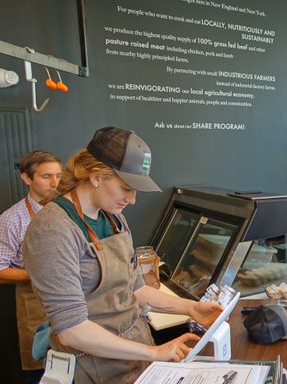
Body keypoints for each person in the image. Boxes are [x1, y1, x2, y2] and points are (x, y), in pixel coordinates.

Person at [23, 127, 223, 383]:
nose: (132, 200)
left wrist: (192, 308)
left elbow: (136, 289)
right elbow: (72, 331)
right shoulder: (52, 228)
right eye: (126, 188)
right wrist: (155, 351)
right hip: (92, 366)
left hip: (134, 354)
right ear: (96, 177)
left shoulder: (114, 219)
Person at [0, 150, 63, 384]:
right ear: (27, 179)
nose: (55, 183)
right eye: (46, 177)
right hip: (37, 306)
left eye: (58, 175)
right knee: (43, 372)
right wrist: (41, 275)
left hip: (74, 302)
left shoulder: (68, 211)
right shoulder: (10, 220)